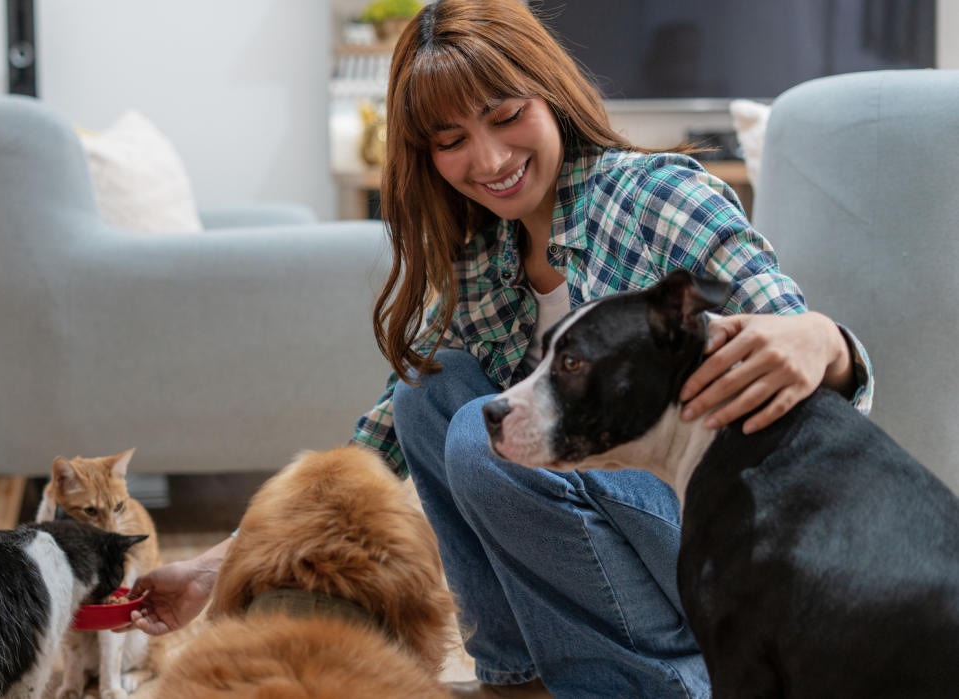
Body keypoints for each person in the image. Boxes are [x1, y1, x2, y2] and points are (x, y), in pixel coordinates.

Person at [124, 1, 874, 697]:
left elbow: (807, 365)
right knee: (431, 393)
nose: (486, 160)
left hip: (714, 549)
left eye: (506, 117)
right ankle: (517, 677)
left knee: (485, 439)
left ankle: (652, 682)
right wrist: (212, 569)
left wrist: (827, 338)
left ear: (549, 93)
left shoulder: (655, 196)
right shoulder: (485, 258)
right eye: (452, 141)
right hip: (622, 539)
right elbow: (380, 439)